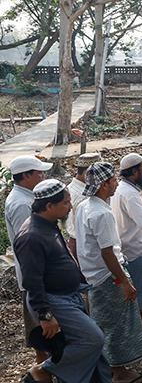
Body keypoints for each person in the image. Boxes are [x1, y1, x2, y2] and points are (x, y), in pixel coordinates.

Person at [14, 179, 111, 383]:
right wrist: (45, 314)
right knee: (93, 339)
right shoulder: (31, 236)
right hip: (54, 300)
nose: (71, 206)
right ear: (49, 206)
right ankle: (43, 371)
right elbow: (32, 279)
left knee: (80, 343)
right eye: (66, 203)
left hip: (68, 296)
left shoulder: (49, 224)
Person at [75, 162, 142, 383]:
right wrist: (124, 280)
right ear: (105, 184)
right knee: (116, 323)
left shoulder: (84, 206)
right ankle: (118, 371)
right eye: (114, 180)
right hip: (108, 277)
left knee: (104, 322)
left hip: (94, 275)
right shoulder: (101, 213)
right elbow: (107, 254)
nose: (117, 183)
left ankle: (109, 367)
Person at [5, 155, 52, 364]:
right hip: (34, 272)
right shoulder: (22, 204)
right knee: (38, 324)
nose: (43, 176)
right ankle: (43, 368)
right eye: (39, 173)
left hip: (36, 271)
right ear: (25, 176)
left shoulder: (26, 198)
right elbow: (29, 243)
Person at [112, 153, 142, 329]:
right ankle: (138, 323)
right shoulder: (130, 194)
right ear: (134, 171)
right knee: (141, 291)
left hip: (128, 245)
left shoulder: (122, 189)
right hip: (137, 249)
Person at [65, 152, 102, 263]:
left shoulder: (69, 188)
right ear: (87, 173)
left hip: (75, 242)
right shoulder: (84, 197)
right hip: (85, 247)